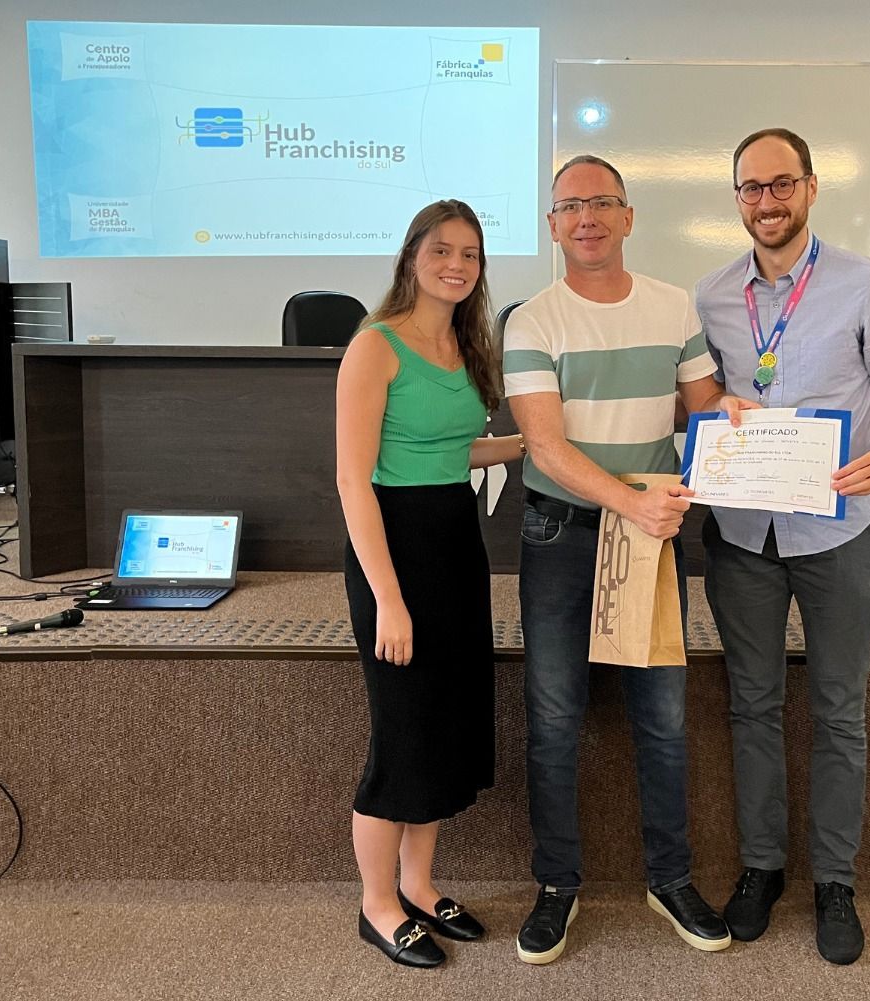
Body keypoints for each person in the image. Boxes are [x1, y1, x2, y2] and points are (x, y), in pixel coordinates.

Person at [502, 155, 754, 964]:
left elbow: (701, 403)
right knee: (553, 720)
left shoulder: (673, 305)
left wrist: (730, 411)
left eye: (603, 202)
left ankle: (670, 878)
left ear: (628, 216)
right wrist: (630, 501)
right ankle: (556, 885)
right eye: (571, 205)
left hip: (647, 537)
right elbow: (544, 444)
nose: (587, 217)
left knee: (663, 718)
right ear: (552, 225)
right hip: (560, 536)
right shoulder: (531, 321)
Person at [693, 128, 870, 965]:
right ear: (736, 197)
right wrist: (713, 406)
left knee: (838, 711)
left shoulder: (866, 284)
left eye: (780, 184)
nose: (766, 201)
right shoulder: (711, 295)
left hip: (839, 530)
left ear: (810, 187)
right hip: (741, 533)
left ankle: (835, 880)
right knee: (750, 705)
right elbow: (700, 397)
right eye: (750, 188)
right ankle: (762, 867)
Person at [335, 199, 525, 968]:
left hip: (454, 543)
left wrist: (533, 442)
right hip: (393, 550)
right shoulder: (374, 345)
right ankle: (376, 904)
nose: (457, 264)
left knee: (444, 722)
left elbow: (450, 452)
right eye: (442, 249)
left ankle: (417, 883)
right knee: (404, 730)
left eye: (470, 253)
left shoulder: (464, 343)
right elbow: (353, 479)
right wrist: (388, 598)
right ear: (411, 256)